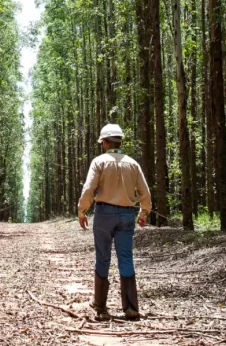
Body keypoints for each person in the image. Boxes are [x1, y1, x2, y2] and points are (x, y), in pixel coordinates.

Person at [78, 123, 152, 321]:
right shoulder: (133, 164)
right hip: (127, 215)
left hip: (104, 214)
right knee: (126, 258)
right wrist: (144, 212)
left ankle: (101, 308)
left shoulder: (99, 162)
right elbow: (145, 192)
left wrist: (82, 210)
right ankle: (130, 308)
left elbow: (88, 188)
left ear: (105, 143)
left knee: (103, 258)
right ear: (119, 141)